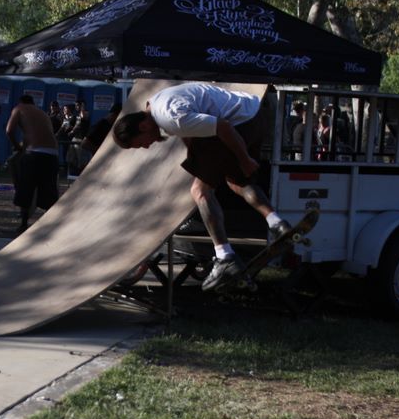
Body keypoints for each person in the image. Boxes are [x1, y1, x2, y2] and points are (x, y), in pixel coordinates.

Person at [113, 82, 291, 291]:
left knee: (200, 191)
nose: (146, 146)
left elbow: (222, 127)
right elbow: (189, 128)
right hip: (254, 115)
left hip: (237, 125)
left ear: (142, 127)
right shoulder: (158, 103)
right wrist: (194, 154)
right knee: (237, 182)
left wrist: (244, 159)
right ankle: (278, 224)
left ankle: (225, 257)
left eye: (141, 143)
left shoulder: (171, 118)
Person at [5, 94, 59, 234]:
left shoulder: (19, 108)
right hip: (52, 154)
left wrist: (17, 147)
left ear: (20, 102)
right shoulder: (43, 113)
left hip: (34, 153)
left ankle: (23, 224)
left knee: (26, 188)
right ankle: (51, 225)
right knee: (48, 190)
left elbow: (9, 130)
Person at [76, 103, 122, 170]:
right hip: (97, 163)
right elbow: (84, 144)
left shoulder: (111, 126)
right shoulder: (101, 125)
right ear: (114, 115)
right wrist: (100, 153)